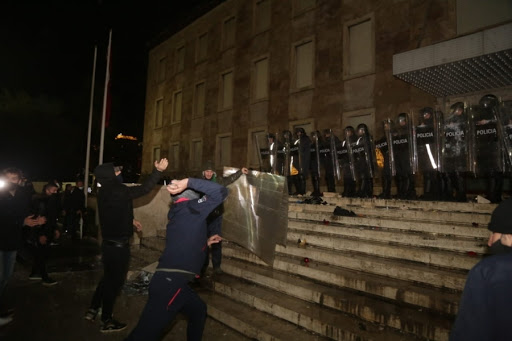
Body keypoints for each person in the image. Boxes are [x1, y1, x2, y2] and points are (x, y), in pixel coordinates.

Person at [125, 177, 227, 341]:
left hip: (171, 281)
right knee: (143, 335)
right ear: (191, 196)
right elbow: (221, 191)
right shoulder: (193, 208)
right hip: (171, 284)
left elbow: (185, 241)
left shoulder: (180, 211)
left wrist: (205, 242)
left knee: (198, 310)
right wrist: (189, 181)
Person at [84, 158, 168, 333]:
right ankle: (106, 320)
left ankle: (93, 309)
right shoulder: (118, 190)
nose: (119, 173)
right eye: (116, 172)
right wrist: (158, 171)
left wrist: (130, 220)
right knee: (114, 284)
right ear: (109, 176)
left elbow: (115, 212)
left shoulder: (104, 191)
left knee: (107, 278)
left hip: (108, 244)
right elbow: (144, 189)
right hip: (118, 247)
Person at [450, 199, 512, 340]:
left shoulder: (489, 271)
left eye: (494, 233)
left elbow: (470, 332)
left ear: (508, 235)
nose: (490, 241)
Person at [0, 168, 44, 327]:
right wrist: (22, 221)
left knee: (5, 278)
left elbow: (24, 214)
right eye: (8, 178)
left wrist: (36, 219)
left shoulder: (21, 195)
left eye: (15, 178)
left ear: (19, 180)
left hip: (12, 243)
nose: (13, 181)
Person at [201, 160, 247, 275]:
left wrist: (240, 172)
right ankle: (203, 266)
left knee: (216, 241)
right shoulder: (199, 183)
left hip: (216, 217)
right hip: (204, 218)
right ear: (203, 172)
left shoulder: (219, 181)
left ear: (214, 173)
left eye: (211, 171)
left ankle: (217, 266)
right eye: (207, 171)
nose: (209, 174)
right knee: (203, 243)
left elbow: (230, 179)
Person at [28, 181, 61, 285]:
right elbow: (39, 219)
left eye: (57, 190)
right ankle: (45, 278)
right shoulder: (42, 202)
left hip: (47, 230)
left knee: (40, 254)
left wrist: (55, 229)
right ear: (47, 190)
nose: (56, 192)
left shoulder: (51, 200)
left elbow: (52, 218)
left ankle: (34, 273)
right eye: (54, 190)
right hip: (42, 232)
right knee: (42, 255)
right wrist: (40, 235)